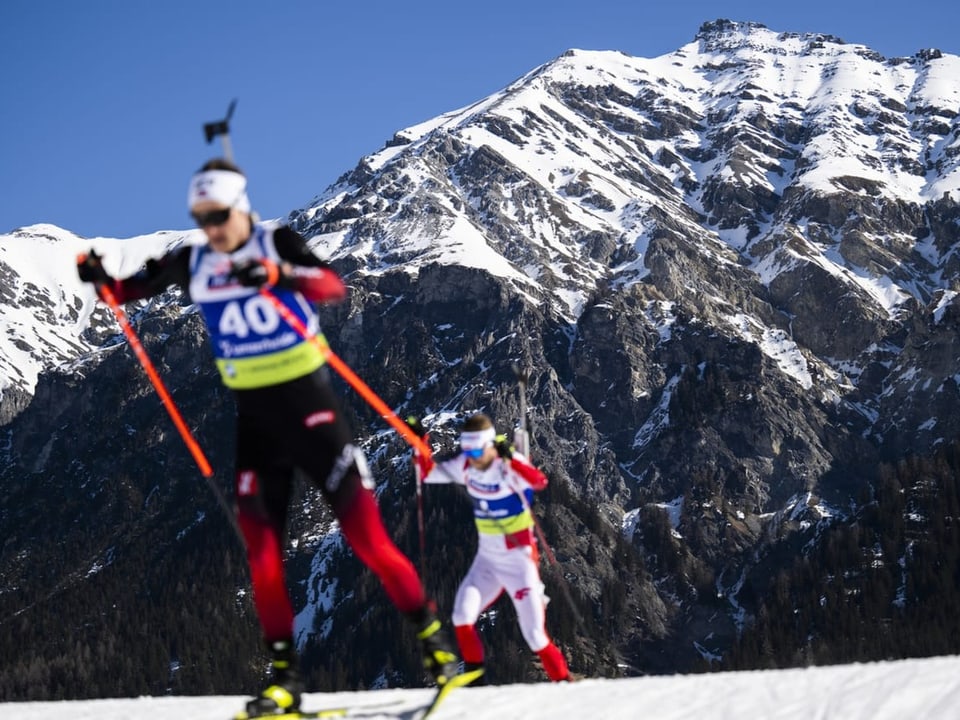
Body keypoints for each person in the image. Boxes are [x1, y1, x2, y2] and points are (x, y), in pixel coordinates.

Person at [76, 158, 458, 718]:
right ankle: (285, 683)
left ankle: (438, 653)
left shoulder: (274, 240)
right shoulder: (193, 259)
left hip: (313, 413)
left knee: (366, 538)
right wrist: (99, 278)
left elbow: (330, 285)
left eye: (220, 215)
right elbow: (126, 292)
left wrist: (278, 276)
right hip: (255, 425)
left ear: (241, 207)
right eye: (201, 216)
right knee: (262, 557)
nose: (212, 227)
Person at [413, 412, 571, 684]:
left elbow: (539, 481)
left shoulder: (507, 465)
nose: (471, 456)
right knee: (462, 617)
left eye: (476, 449)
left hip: (519, 561)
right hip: (487, 560)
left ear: (489, 445)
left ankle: (566, 684)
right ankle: (477, 686)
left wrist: (512, 459)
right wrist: (420, 442)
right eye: (466, 449)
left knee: (534, 636)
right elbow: (427, 474)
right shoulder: (466, 466)